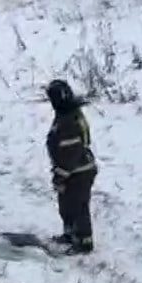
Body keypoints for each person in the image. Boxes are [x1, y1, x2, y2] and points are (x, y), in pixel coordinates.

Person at [44, 79, 97, 255]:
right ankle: (70, 233)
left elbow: (70, 153)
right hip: (73, 170)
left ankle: (84, 241)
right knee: (66, 205)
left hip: (79, 171)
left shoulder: (68, 121)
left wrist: (61, 175)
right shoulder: (67, 114)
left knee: (78, 206)